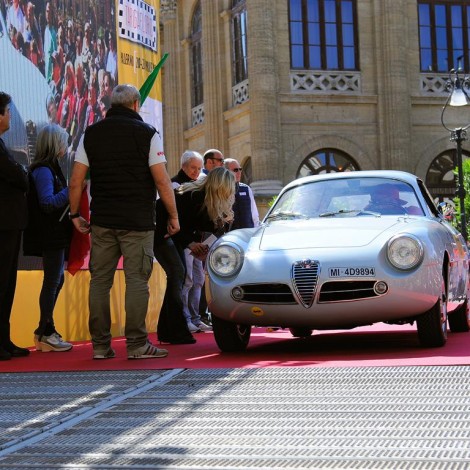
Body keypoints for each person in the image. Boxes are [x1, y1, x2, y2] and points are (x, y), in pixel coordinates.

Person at [69, 84, 180, 360]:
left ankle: (100, 346)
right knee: (136, 281)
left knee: (99, 282)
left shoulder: (91, 134)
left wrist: (74, 215)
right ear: (135, 105)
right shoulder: (148, 134)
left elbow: (76, 180)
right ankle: (137, 345)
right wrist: (174, 215)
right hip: (138, 221)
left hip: (103, 220)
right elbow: (162, 180)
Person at [155, 167, 236, 333]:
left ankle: (170, 328)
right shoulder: (194, 196)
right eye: (229, 187)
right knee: (178, 274)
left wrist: (222, 223)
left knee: (178, 275)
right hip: (162, 231)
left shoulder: (205, 199)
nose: (231, 192)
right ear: (220, 186)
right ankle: (176, 328)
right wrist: (191, 244)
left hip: (173, 234)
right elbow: (177, 225)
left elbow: (203, 228)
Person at [23, 124, 73, 352]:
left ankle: (45, 329)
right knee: (52, 281)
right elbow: (47, 202)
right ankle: (46, 331)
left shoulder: (49, 168)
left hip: (55, 234)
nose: (66, 146)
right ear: (55, 144)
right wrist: (71, 190)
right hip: (50, 234)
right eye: (62, 141)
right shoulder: (44, 170)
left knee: (56, 280)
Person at [0, 92, 30, 360]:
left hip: (9, 224)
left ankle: (4, 339)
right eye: (7, 111)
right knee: (1, 283)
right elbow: (17, 176)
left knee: (8, 283)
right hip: (3, 224)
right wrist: (21, 173)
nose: (10, 116)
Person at [224, 158, 260, 229]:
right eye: (235, 170)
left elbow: (254, 214)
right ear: (226, 172)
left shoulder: (246, 188)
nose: (239, 172)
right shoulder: (220, 190)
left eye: (240, 169)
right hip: (230, 236)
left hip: (247, 233)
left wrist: (256, 230)